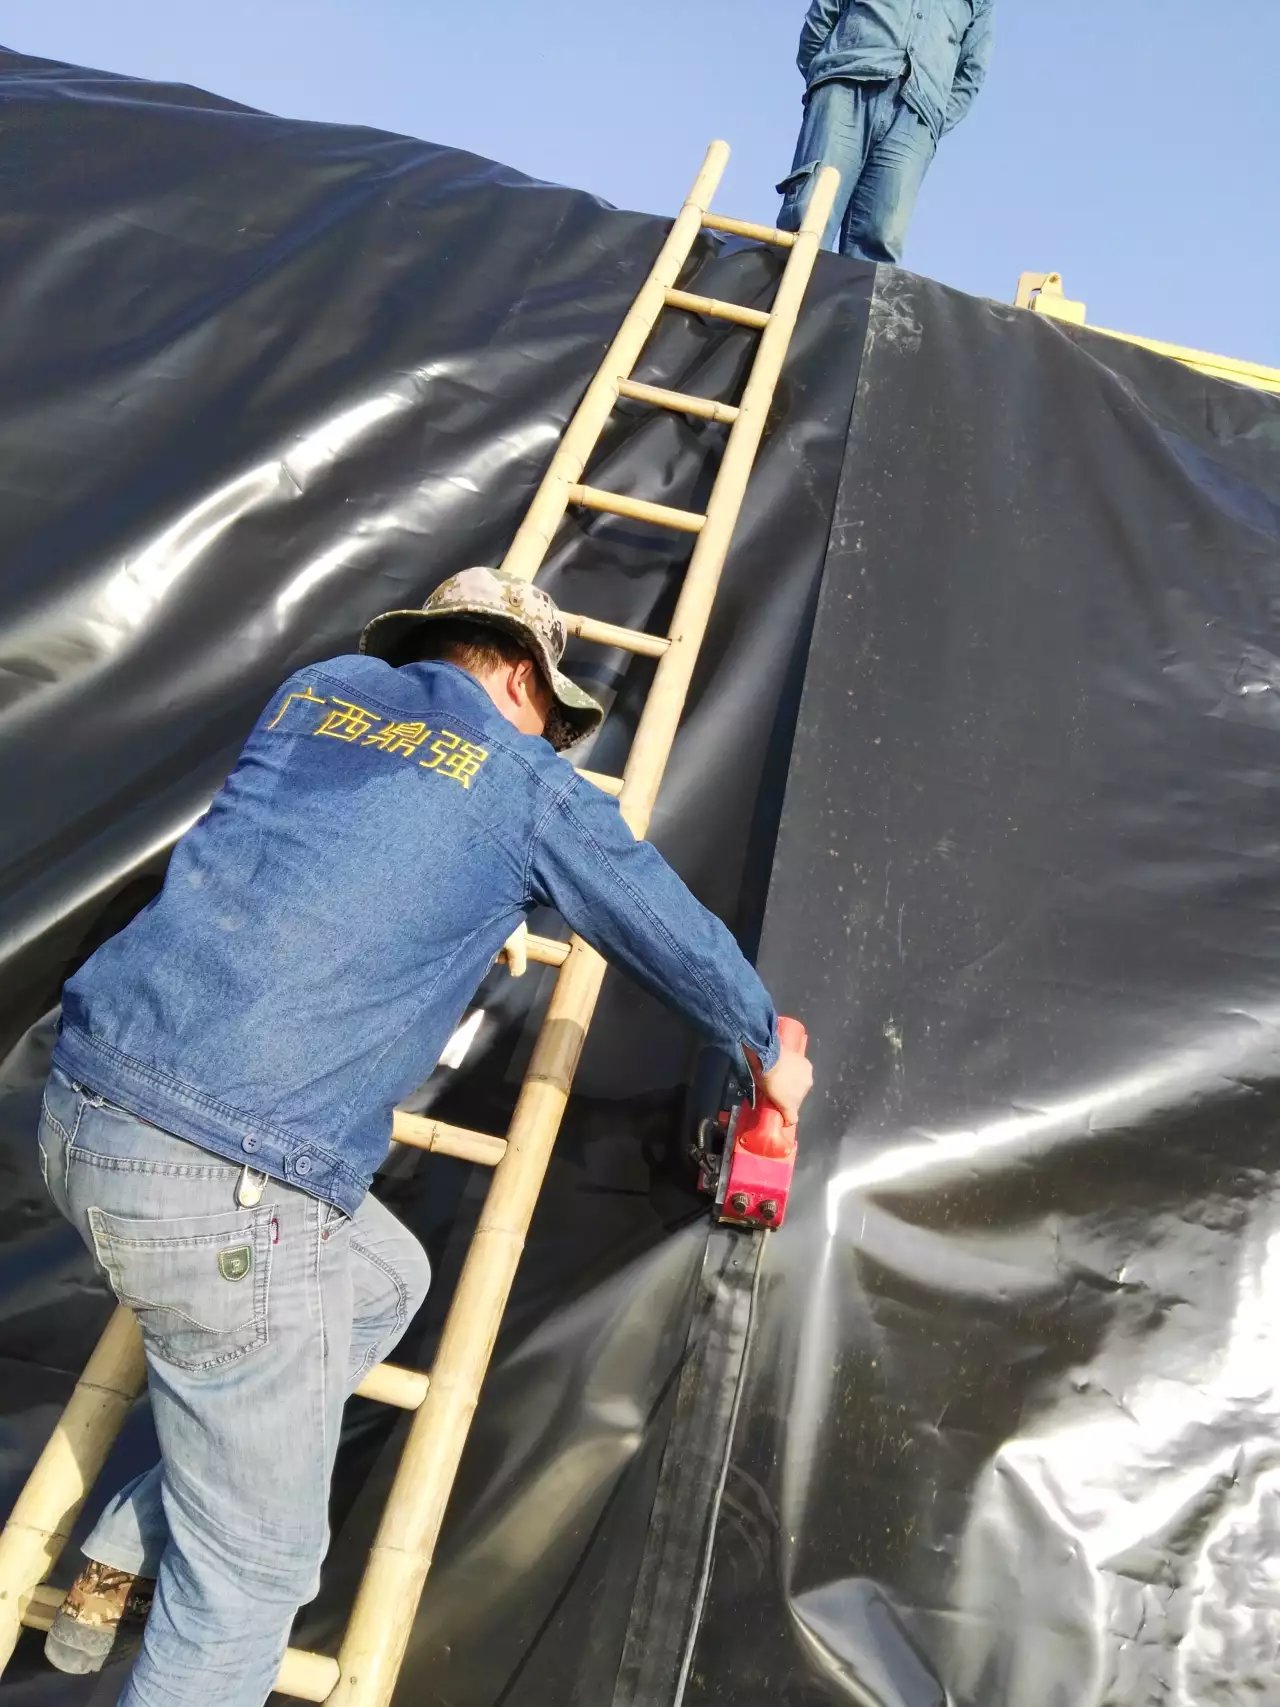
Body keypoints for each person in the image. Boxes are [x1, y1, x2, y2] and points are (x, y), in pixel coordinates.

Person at [35, 565, 813, 1707]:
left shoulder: (315, 696)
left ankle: (120, 1544)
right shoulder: (523, 787)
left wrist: (461, 903)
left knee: (382, 1278)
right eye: (549, 718)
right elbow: (662, 928)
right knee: (251, 1578)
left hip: (82, 1113)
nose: (552, 742)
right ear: (512, 673)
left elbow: (338, 848)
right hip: (228, 1187)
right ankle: (170, 1569)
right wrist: (765, 1050)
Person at [778, 0, 994, 264]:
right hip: (845, 87)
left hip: (915, 118)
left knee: (880, 240)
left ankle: (856, 306)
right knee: (810, 215)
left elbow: (972, 70)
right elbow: (822, 17)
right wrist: (827, 80)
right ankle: (786, 301)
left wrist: (931, 121)